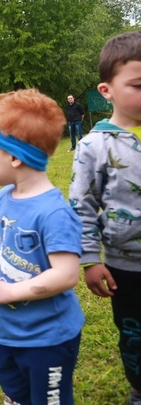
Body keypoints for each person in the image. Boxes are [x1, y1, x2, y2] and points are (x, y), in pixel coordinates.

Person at [0, 89, 84, 405]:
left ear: (14, 157)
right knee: (14, 389)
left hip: (48, 337)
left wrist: (10, 293)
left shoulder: (54, 213)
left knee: (49, 399)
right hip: (7, 330)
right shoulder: (2, 198)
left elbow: (65, 275)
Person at [69, 30, 141, 405]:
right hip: (125, 267)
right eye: (139, 84)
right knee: (134, 334)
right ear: (107, 89)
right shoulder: (94, 145)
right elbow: (81, 205)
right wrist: (90, 260)